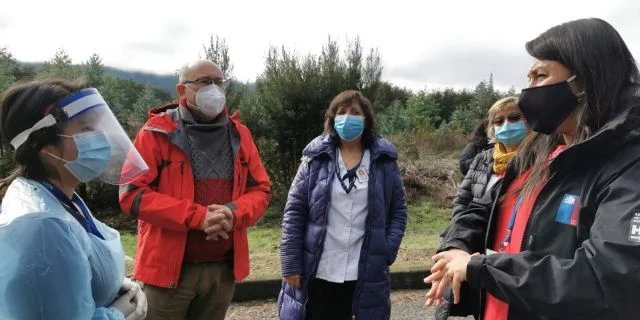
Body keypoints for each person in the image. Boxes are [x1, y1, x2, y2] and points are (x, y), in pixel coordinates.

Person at [426, 18, 640, 319]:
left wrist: (479, 268)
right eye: (527, 77)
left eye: (540, 75)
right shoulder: (537, 150)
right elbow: (482, 209)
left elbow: (608, 278)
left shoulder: (627, 163)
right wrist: (455, 247)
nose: (528, 91)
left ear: (585, 80)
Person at [119, 60, 271, 320]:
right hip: (168, 273)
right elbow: (131, 194)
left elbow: (262, 190)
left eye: (219, 82)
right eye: (204, 81)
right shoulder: (155, 133)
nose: (214, 88)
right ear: (182, 90)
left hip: (222, 271)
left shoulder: (240, 134)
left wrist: (232, 213)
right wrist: (198, 217)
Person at [0, 79, 149, 319]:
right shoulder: (45, 227)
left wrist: (121, 285)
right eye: (86, 129)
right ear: (46, 148)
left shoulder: (58, 197)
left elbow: (76, 266)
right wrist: (117, 313)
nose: (102, 137)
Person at [278, 90, 408, 320]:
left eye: (355, 112)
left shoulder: (383, 161)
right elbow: (294, 212)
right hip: (319, 269)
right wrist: (290, 263)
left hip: (364, 271)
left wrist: (386, 250)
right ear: (332, 118)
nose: (348, 117)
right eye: (342, 112)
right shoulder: (315, 158)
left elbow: (398, 211)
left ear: (366, 119)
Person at [437, 96, 528, 319]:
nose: (506, 125)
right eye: (499, 121)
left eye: (515, 118)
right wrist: (462, 238)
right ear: (491, 128)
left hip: (518, 254)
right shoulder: (482, 160)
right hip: (478, 252)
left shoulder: (538, 159)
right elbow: (463, 200)